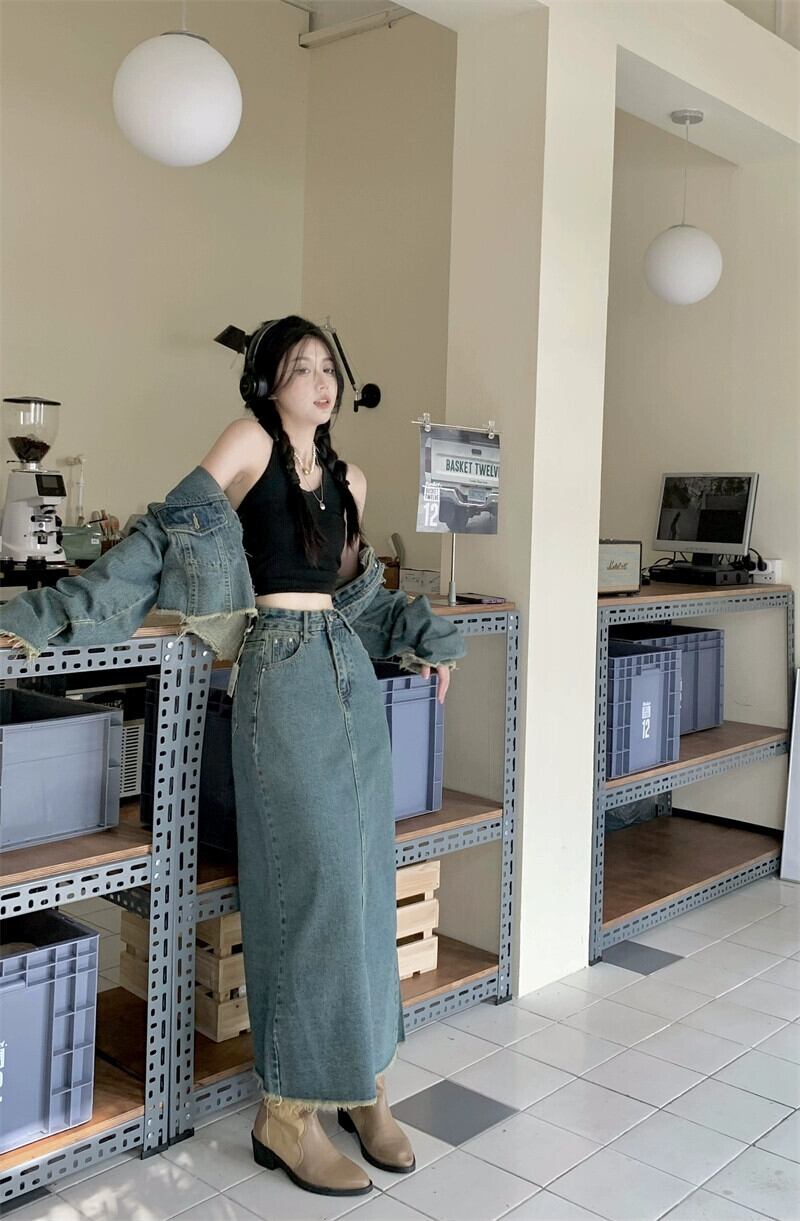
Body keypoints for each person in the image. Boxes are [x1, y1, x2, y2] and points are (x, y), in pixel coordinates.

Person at [0, 315, 466, 1198]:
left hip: (347, 679)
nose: (320, 382)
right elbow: (163, 533)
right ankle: (286, 1111)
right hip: (279, 677)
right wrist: (52, 611)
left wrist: (428, 636)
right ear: (267, 382)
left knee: (367, 878)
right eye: (300, 367)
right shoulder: (248, 443)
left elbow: (360, 598)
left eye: (328, 367)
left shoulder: (351, 478)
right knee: (310, 885)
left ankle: (363, 1081)